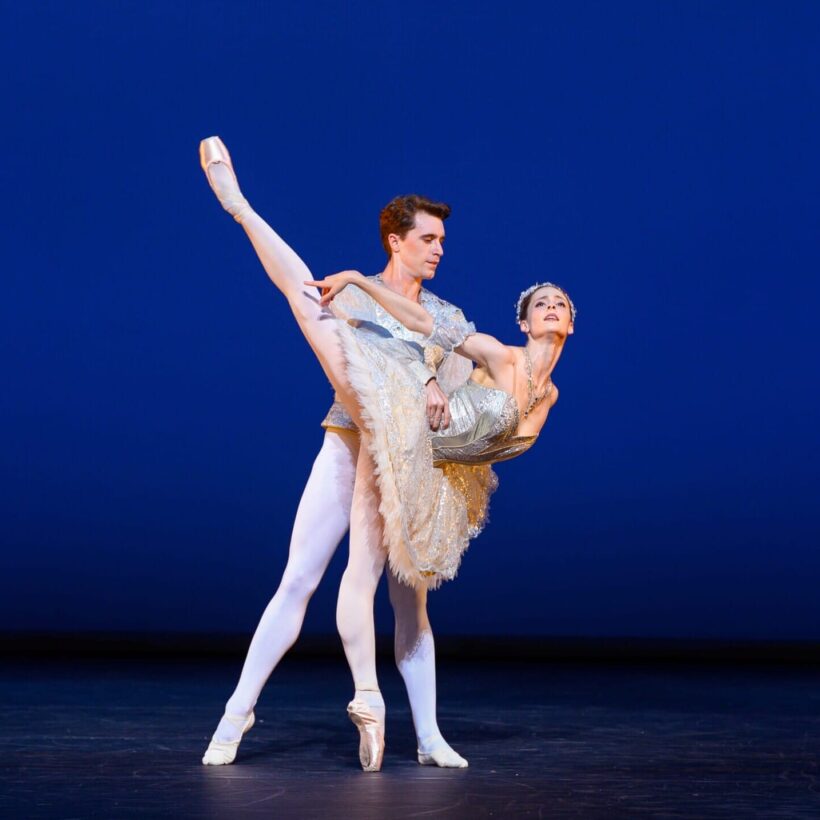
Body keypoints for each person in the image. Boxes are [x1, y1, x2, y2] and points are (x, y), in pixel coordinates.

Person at [198, 135, 575, 771]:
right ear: (396, 241)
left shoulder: (448, 315)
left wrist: (438, 387)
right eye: (428, 239)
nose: (439, 249)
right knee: (298, 578)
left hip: (404, 454)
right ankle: (238, 714)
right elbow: (343, 323)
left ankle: (427, 735)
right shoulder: (354, 292)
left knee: (410, 599)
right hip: (349, 438)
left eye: (442, 241)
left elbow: (460, 383)